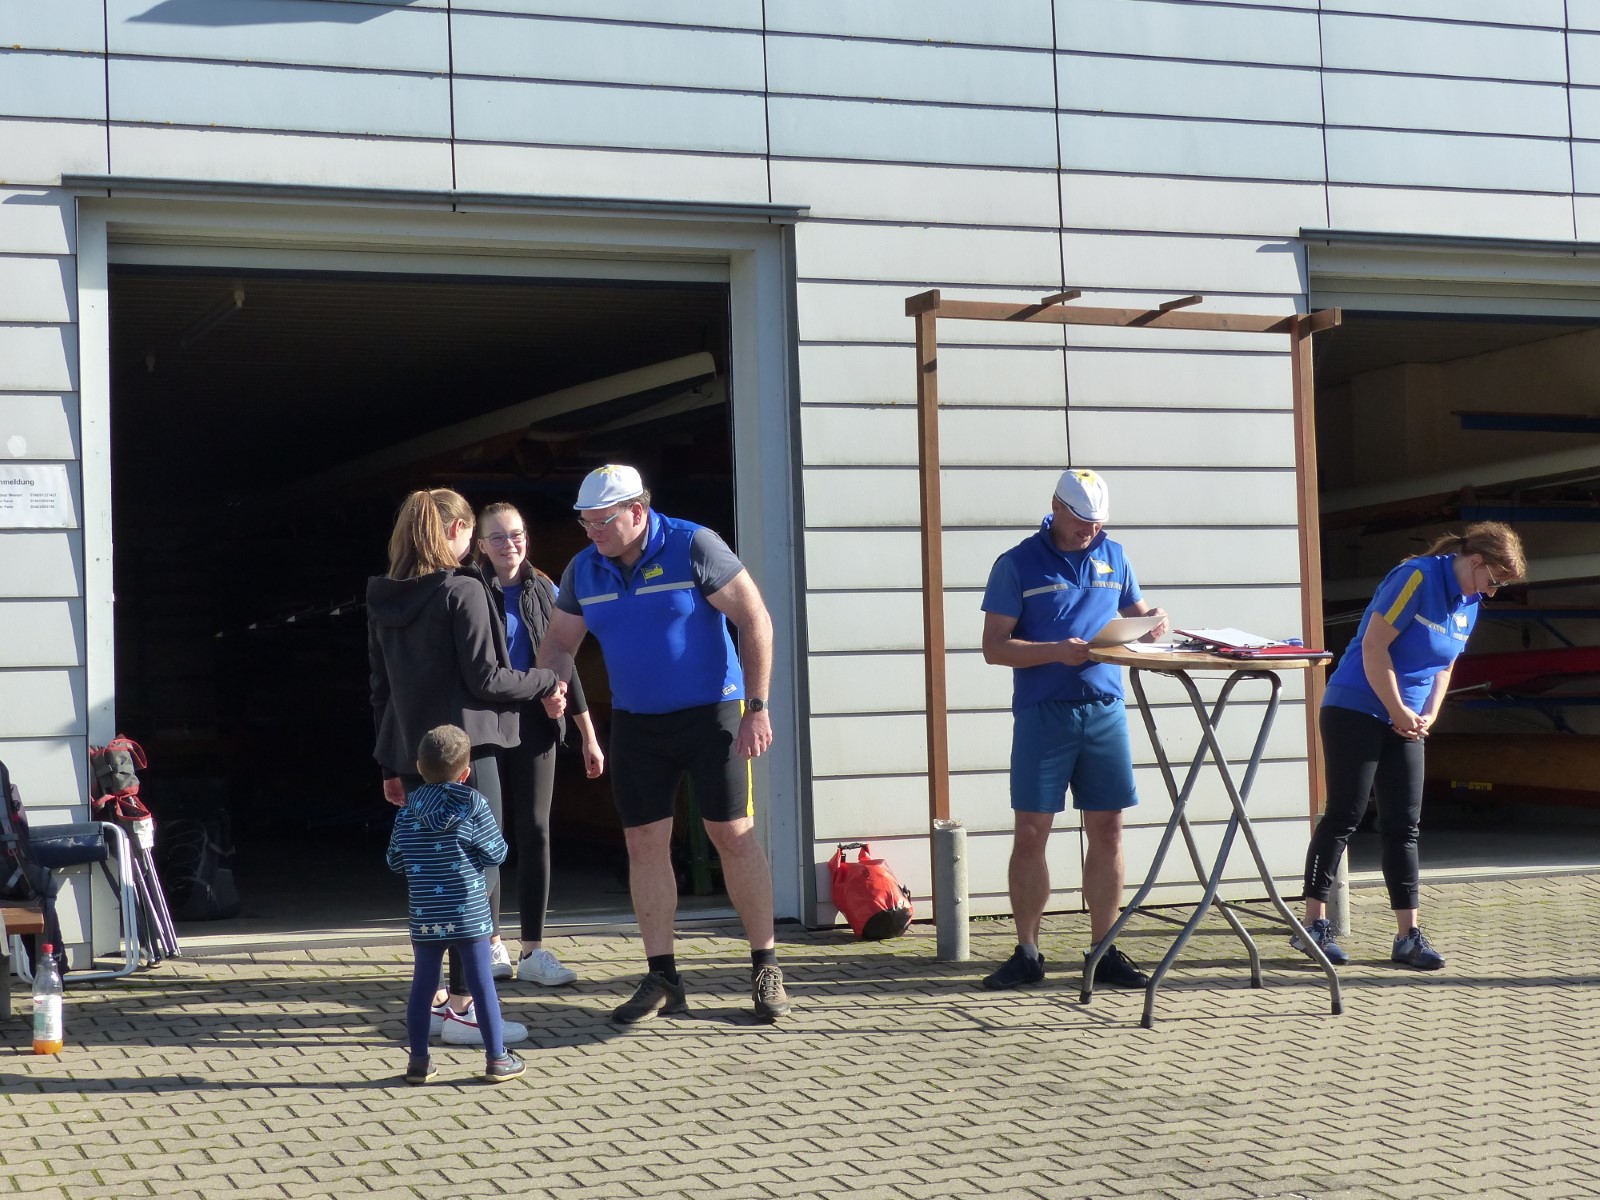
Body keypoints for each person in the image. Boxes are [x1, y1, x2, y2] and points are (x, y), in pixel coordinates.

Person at [536, 464, 790, 1024]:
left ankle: (765, 965)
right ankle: (662, 977)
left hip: (713, 715)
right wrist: (551, 684)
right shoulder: (584, 569)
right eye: (585, 522)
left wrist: (757, 706)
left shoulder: (693, 545)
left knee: (732, 836)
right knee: (643, 844)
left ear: (638, 510)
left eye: (602, 521)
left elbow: (755, 619)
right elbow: (558, 642)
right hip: (638, 724)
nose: (593, 532)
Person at [367, 487, 563, 1048]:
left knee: (430, 879)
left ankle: (433, 1003)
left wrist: (389, 762)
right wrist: (545, 680)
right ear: (456, 532)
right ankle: (463, 1008)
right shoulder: (463, 589)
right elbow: (487, 679)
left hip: (412, 756)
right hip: (467, 754)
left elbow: (381, 688)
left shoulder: (384, 595)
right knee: (476, 879)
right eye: (471, 533)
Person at [1295, 522, 1525, 972]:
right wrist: (1396, 708)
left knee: (1404, 825)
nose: (1492, 592)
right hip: (1356, 707)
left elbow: (1445, 665)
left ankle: (1407, 936)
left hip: (1407, 720)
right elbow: (1374, 647)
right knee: (1344, 815)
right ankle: (1313, 926)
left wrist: (1429, 715)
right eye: (1493, 581)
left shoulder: (1470, 602)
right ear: (1475, 561)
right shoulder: (1417, 577)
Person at [978, 468, 1168, 991]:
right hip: (1043, 712)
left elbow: (1139, 617)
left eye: (1098, 522)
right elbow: (994, 647)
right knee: (1031, 831)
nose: (1091, 531)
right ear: (1056, 508)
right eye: (1082, 520)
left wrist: (1154, 620)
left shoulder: (1116, 555)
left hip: (1105, 707)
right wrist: (1055, 652)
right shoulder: (1016, 563)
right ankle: (1028, 952)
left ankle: (1103, 950)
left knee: (1108, 829)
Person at [475, 501, 606, 987]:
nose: (509, 545)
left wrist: (587, 733)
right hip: (486, 724)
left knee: (535, 830)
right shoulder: (469, 590)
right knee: (487, 832)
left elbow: (565, 664)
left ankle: (533, 949)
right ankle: (491, 943)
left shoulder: (546, 589)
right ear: (480, 545)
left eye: (516, 535)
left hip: (536, 723)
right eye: (497, 537)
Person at [387, 725, 524, 1085]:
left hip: (425, 915)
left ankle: (419, 1062)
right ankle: (497, 1059)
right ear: (465, 773)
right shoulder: (473, 804)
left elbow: (394, 861)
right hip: (470, 914)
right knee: (481, 984)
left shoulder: (407, 811)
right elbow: (497, 853)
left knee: (423, 985)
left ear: (419, 767)